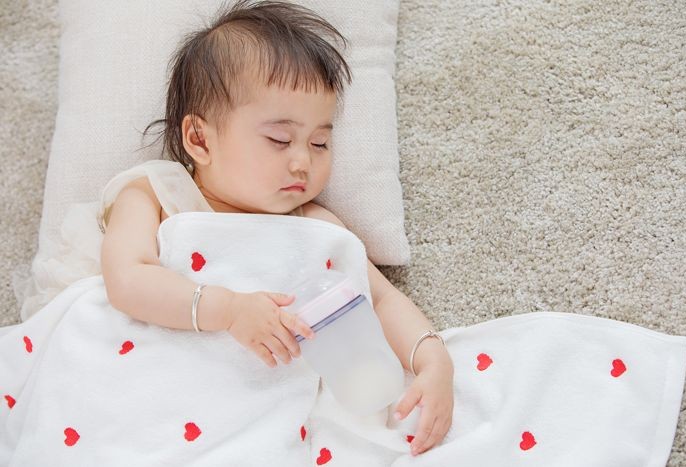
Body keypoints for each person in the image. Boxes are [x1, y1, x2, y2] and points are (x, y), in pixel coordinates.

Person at [102, 0, 454, 457]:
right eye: (280, 139)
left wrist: (432, 358)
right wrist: (229, 310)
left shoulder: (313, 225)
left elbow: (381, 300)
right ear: (200, 139)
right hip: (152, 392)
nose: (302, 160)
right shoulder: (155, 197)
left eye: (320, 142)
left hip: (261, 412)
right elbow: (127, 280)